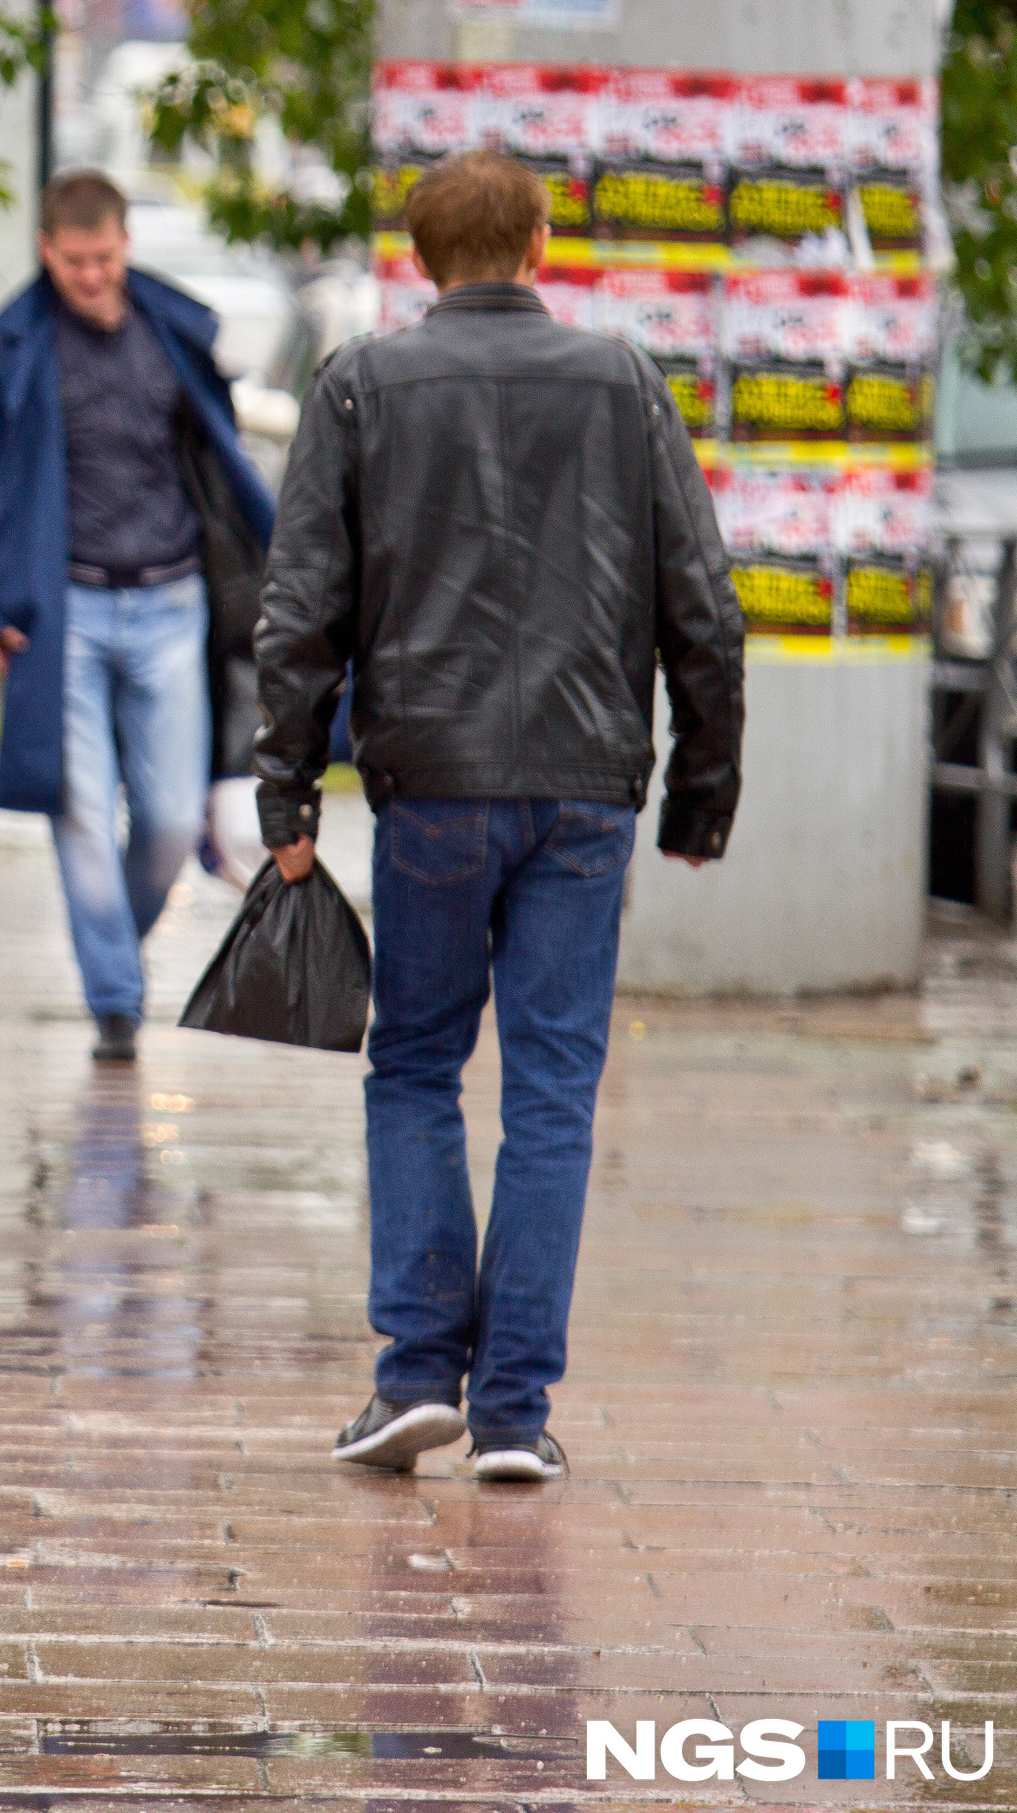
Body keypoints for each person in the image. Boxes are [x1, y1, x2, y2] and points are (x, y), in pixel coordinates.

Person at [255, 150, 744, 1483]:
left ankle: (418, 1375)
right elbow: (701, 602)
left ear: (421, 260)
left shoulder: (359, 384)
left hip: (429, 784)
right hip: (587, 787)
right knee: (552, 1090)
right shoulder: (623, 382)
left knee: (413, 1067)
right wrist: (702, 788)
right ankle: (517, 1411)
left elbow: (301, 608)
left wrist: (286, 788)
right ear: (540, 243)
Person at [0, 169, 276, 1062]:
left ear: (127, 245)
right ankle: (116, 1000)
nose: (92, 276)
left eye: (107, 258)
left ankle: (111, 950)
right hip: (64, 615)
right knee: (81, 813)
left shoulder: (174, 334)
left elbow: (223, 469)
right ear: (47, 251)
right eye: (75, 261)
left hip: (173, 605)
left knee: (168, 818)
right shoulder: (7, 355)